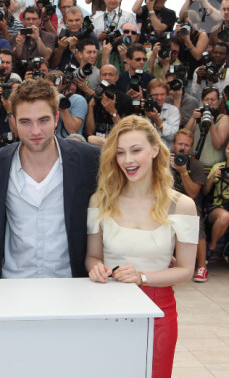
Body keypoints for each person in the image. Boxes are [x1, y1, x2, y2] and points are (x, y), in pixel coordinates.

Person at [86, 115, 198, 378]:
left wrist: (142, 277)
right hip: (106, 306)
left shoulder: (182, 206)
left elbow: (185, 270)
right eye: (121, 153)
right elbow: (92, 256)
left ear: (156, 149)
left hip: (159, 311)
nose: (128, 160)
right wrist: (96, 269)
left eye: (136, 150)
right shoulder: (99, 201)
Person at [0, 78, 100, 278]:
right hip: (13, 285)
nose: (35, 131)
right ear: (13, 121)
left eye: (43, 120)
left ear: (56, 118)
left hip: (71, 286)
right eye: (25, 122)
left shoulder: (88, 158)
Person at [169, 129, 207, 282]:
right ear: (173, 145)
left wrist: (183, 171)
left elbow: (193, 194)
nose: (182, 148)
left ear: (191, 148)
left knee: (197, 224)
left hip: (188, 203)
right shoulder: (164, 161)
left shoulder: (196, 165)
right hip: (167, 201)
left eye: (187, 145)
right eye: (180, 144)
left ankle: (202, 266)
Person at [202, 141, 229, 266]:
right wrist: (212, 177)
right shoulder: (218, 166)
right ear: (225, 150)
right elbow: (205, 191)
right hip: (217, 207)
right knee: (225, 216)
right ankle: (211, 249)